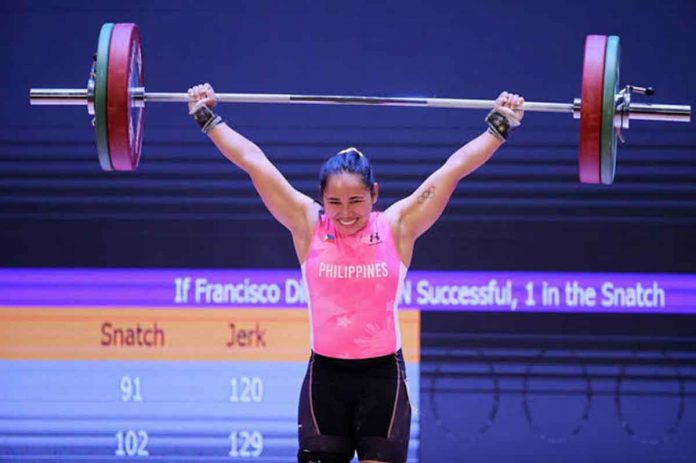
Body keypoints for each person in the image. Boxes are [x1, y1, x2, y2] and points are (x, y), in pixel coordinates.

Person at [187, 83, 524, 463]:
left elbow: (452, 171)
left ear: (374, 194)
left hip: (382, 381)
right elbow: (253, 161)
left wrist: (500, 125)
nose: (345, 212)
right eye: (334, 202)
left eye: (355, 201)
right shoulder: (307, 223)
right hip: (325, 380)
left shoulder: (398, 226)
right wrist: (207, 118)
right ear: (321, 198)